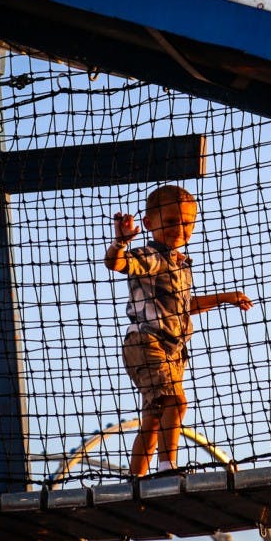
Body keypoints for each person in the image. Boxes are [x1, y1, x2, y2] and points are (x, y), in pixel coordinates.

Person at [105, 185, 252, 476]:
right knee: (175, 400)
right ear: (149, 224)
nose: (180, 229)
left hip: (171, 350)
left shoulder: (180, 264)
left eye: (187, 223)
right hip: (146, 343)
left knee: (154, 417)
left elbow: (184, 306)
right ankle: (167, 467)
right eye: (171, 221)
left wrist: (225, 297)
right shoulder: (150, 256)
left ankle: (135, 477)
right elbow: (117, 263)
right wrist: (119, 243)